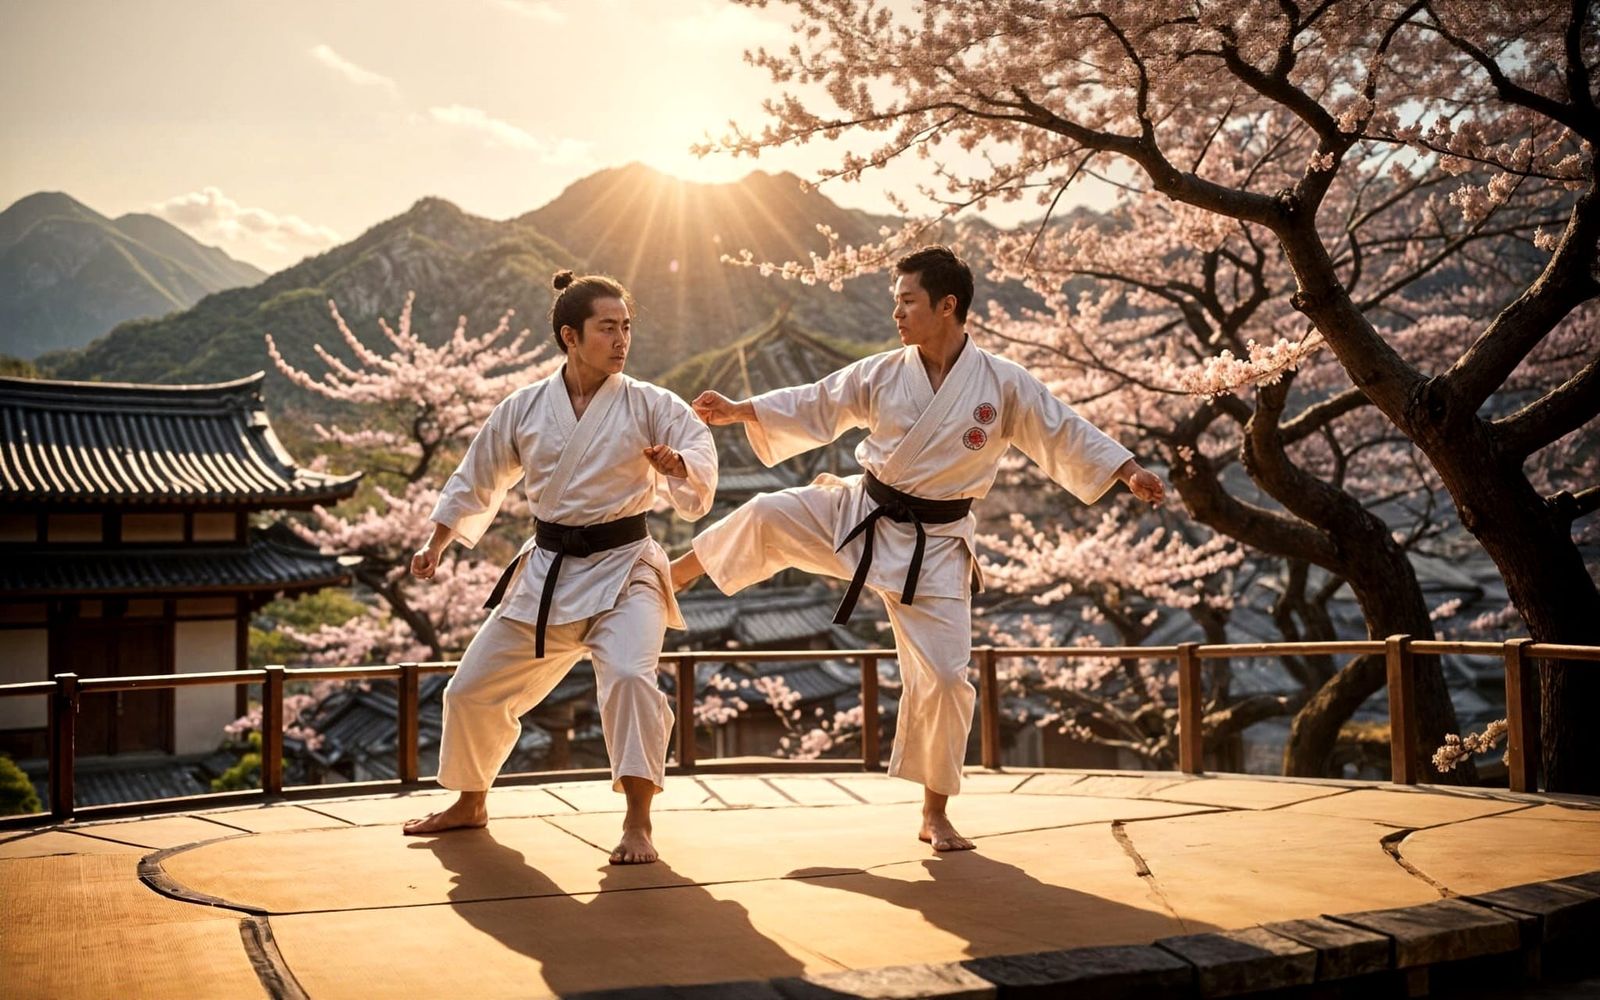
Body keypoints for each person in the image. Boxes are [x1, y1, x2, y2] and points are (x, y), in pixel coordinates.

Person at [672, 245, 1164, 852]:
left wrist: (1126, 470)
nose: (897, 314)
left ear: (947, 305)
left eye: (908, 301)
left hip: (935, 546)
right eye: (895, 302)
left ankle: (935, 812)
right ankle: (679, 574)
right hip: (864, 510)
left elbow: (1062, 428)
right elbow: (819, 401)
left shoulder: (1002, 384)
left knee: (948, 679)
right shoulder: (882, 371)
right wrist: (741, 410)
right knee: (768, 512)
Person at [403, 270, 718, 865]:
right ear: (570, 336)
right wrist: (438, 542)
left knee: (628, 679)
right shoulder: (523, 408)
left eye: (627, 327)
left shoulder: (652, 403)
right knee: (470, 691)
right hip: (547, 571)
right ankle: (470, 802)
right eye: (608, 328)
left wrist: (676, 466)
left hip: (627, 571)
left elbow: (697, 461)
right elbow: (478, 478)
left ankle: (637, 822)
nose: (622, 340)